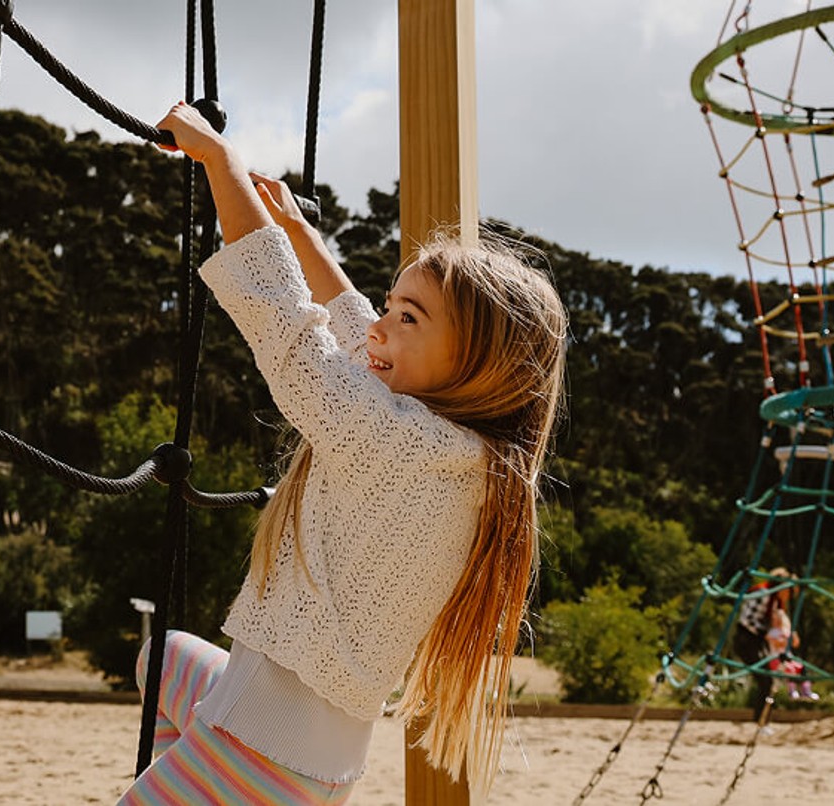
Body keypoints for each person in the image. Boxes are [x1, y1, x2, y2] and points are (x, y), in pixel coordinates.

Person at [116, 101, 568, 805]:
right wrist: (298, 231)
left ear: (476, 362)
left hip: (257, 759)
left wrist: (221, 164)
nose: (381, 326)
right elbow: (355, 322)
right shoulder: (457, 450)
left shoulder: (397, 442)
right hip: (298, 760)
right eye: (392, 305)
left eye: (408, 317)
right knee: (165, 658)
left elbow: (289, 327)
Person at [733, 567, 800, 720]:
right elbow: (747, 621)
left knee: (769, 679)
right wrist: (769, 635)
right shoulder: (763, 594)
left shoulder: (776, 602)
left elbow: (777, 624)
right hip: (747, 640)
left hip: (758, 641)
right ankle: (760, 720)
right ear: (783, 587)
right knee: (766, 679)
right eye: (789, 592)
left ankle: (762, 719)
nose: (789, 597)